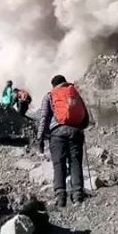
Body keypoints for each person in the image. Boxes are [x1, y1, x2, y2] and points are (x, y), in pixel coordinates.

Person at [37, 75, 89, 207]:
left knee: (58, 164)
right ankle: (78, 196)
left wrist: (40, 138)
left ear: (53, 85)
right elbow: (85, 116)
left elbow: (44, 118)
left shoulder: (50, 95)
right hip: (75, 132)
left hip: (57, 133)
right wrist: (79, 129)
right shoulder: (74, 92)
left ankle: (60, 198)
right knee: (75, 163)